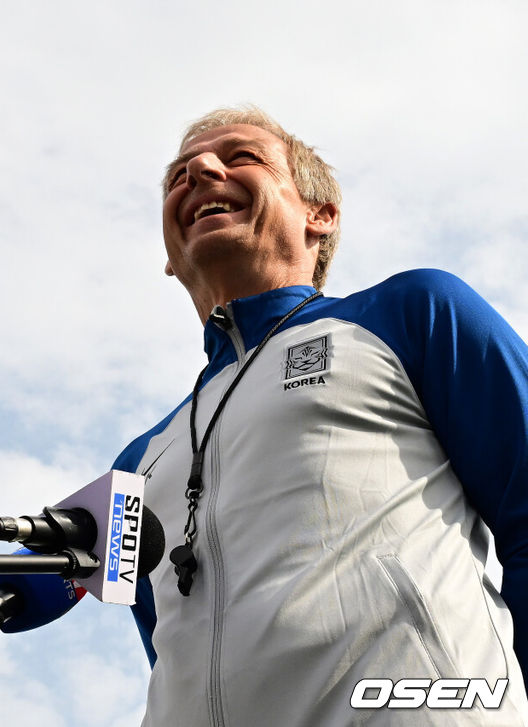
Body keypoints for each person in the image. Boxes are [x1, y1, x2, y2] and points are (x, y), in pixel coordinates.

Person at [112, 106, 528, 725]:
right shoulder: (136, 464)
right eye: (178, 175)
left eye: (241, 157)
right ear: (171, 256)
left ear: (320, 215)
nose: (198, 169)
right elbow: (67, 582)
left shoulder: (412, 313)